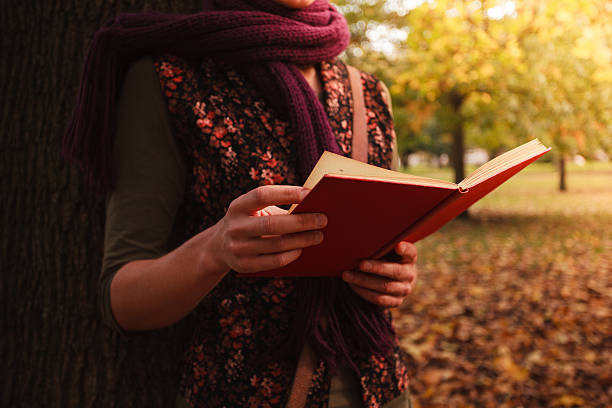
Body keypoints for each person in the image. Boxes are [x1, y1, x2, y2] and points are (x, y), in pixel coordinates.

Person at [64, 1, 418, 406]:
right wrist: (214, 249)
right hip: (243, 395)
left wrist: (396, 275)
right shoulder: (171, 79)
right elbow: (124, 300)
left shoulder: (369, 93)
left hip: (382, 388)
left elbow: (388, 245)